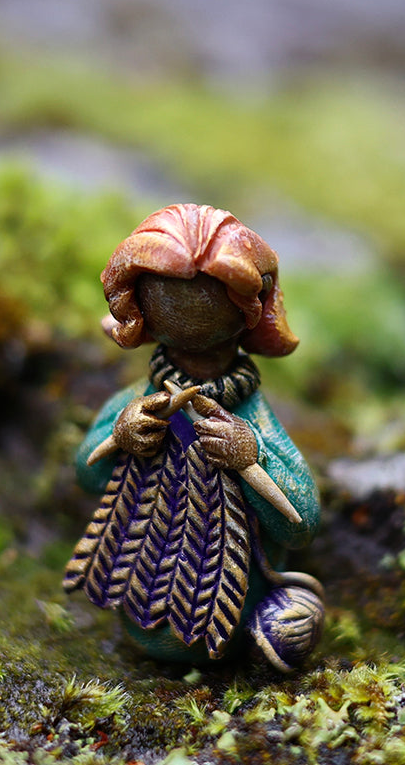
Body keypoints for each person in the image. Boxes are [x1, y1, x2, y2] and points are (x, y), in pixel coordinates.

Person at [64, 204, 324, 672]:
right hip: (139, 583)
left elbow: (301, 522)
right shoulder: (140, 401)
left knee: (284, 635)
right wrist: (119, 435)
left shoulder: (252, 420)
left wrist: (251, 455)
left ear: (248, 311)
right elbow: (85, 473)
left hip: (235, 605)